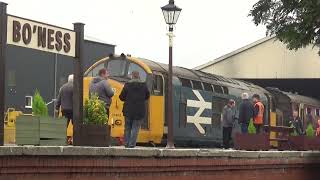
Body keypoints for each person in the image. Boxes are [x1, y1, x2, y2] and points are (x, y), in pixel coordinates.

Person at [119, 71, 150, 148]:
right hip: (139, 111)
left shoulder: (127, 85)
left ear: (132, 76)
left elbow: (121, 97)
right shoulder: (144, 85)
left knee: (127, 127)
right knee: (135, 128)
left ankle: (126, 144)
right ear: (139, 76)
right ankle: (132, 144)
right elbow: (147, 96)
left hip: (128, 110)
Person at [56, 74, 73, 145]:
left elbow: (58, 99)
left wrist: (57, 108)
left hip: (64, 109)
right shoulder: (75, 87)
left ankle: (63, 141)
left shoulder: (62, 88)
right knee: (75, 126)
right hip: (73, 110)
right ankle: (74, 140)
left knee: (64, 126)